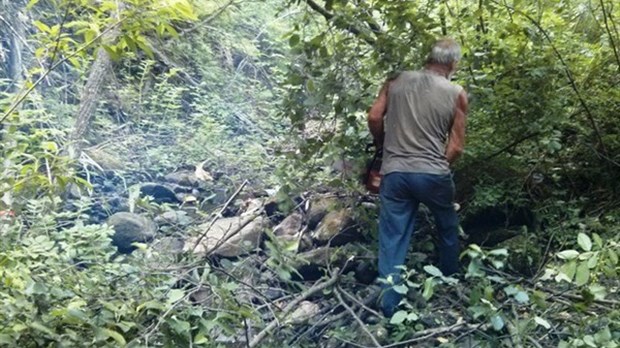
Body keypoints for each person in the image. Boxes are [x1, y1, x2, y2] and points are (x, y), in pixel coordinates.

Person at [367, 38, 469, 317]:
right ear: (453, 63)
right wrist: (436, 164)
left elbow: (375, 117)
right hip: (434, 175)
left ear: (428, 57)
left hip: (395, 173)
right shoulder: (456, 93)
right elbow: (457, 146)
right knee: (447, 226)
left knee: (393, 236)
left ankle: (390, 305)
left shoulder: (396, 81)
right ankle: (449, 282)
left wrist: (382, 145)